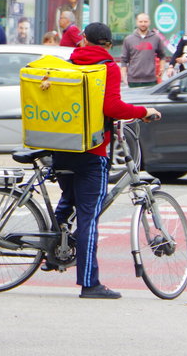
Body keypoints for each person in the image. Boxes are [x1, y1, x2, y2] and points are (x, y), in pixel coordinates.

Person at [52, 22, 161, 299]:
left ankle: (53, 250)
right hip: (91, 151)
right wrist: (143, 110)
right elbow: (112, 107)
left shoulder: (70, 62)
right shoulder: (107, 67)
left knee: (70, 199)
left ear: (85, 41)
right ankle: (90, 283)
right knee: (89, 215)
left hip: (61, 147)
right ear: (108, 44)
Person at [120, 13, 168, 88]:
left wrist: (162, 68)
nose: (143, 24)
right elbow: (124, 60)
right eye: (141, 21)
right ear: (137, 22)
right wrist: (123, 76)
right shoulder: (128, 39)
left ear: (149, 22)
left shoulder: (156, 38)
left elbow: (162, 56)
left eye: (145, 22)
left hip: (151, 80)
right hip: (133, 80)